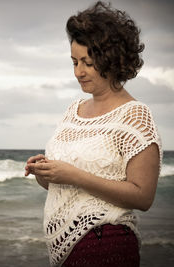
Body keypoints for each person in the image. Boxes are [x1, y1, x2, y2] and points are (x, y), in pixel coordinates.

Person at [24, 2, 162, 267]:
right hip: (65, 250)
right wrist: (47, 173)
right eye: (74, 62)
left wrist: (73, 175)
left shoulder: (134, 116)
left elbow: (143, 196)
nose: (78, 72)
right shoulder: (72, 111)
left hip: (107, 242)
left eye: (87, 62)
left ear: (112, 59)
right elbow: (63, 184)